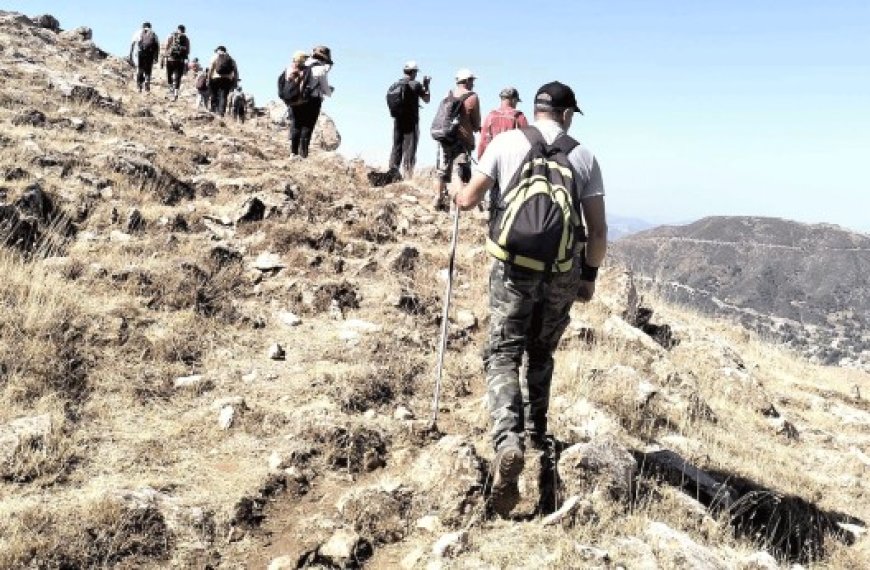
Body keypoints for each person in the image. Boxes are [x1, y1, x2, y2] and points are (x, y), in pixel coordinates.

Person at [453, 81, 607, 518]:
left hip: (512, 267)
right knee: (541, 353)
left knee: (503, 354)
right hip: (561, 271)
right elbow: (597, 231)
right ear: (568, 114)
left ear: (535, 110)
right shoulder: (584, 156)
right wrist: (589, 277)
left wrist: (454, 187)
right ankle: (538, 434)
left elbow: (468, 199)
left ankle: (508, 441)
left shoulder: (504, 142)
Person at [434, 68, 480, 210]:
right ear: (466, 81)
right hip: (463, 140)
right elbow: (476, 123)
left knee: (443, 168)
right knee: (459, 172)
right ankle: (457, 208)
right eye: (472, 80)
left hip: (445, 137)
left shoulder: (448, 95)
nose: (473, 83)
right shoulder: (472, 97)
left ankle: (438, 198)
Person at [287, 45, 334, 158]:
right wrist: (330, 91)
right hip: (313, 100)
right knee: (307, 127)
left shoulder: (301, 65)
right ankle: (303, 155)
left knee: (296, 125)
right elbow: (326, 90)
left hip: (296, 98)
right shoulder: (321, 69)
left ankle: (293, 153)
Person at [387, 61, 431, 180]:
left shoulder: (396, 84)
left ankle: (392, 172)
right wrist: (426, 85)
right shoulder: (415, 84)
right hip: (411, 122)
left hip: (398, 120)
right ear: (414, 72)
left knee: (396, 146)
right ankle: (408, 177)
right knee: (410, 148)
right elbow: (427, 99)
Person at [478, 87, 528, 159]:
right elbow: (527, 140)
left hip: (493, 158)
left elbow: (483, 141)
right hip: (512, 159)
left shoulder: (491, 116)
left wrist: (481, 159)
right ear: (513, 100)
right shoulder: (519, 116)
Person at [128, 22, 159, 93]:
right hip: (150, 54)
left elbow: (132, 44)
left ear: (142, 26)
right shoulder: (154, 33)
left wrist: (130, 55)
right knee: (148, 69)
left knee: (140, 69)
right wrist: (156, 57)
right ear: (150, 27)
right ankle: (147, 81)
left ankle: (139, 87)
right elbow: (157, 46)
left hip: (140, 53)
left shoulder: (138, 32)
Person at [208, 46, 238, 117]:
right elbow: (236, 72)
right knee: (223, 96)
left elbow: (211, 68)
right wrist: (235, 81)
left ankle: (213, 110)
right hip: (227, 79)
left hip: (215, 78)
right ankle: (221, 113)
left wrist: (208, 78)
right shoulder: (231, 59)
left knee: (214, 95)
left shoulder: (215, 57)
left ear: (218, 50)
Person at [162, 25, 190, 101]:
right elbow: (188, 51)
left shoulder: (172, 35)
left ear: (177, 29)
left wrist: (165, 55)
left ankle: (170, 90)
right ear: (184, 30)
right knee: (178, 78)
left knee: (169, 75)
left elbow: (167, 45)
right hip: (180, 60)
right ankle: (176, 94)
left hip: (170, 59)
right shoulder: (186, 38)